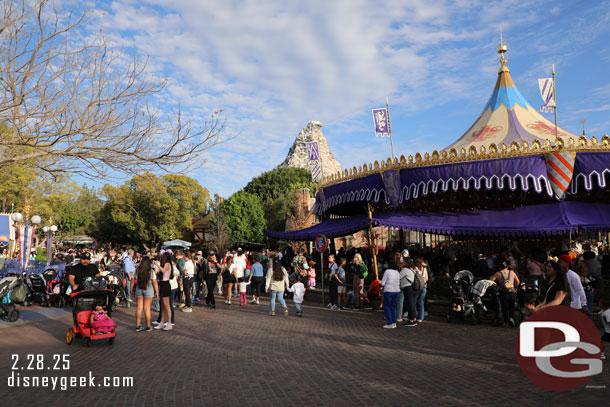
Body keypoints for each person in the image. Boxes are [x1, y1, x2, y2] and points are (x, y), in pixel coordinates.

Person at [131, 257, 159, 331]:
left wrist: (131, 290)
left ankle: (138, 325)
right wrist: (157, 291)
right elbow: (155, 282)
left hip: (139, 288)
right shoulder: (151, 271)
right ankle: (148, 326)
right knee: (147, 308)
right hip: (149, 288)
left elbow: (132, 281)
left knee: (139, 308)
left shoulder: (136, 270)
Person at [489, 260, 520, 327]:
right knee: (511, 307)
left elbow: (490, 280)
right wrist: (516, 288)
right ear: (507, 267)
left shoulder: (498, 273)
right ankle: (512, 318)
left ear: (500, 267)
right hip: (512, 292)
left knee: (504, 307)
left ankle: (506, 321)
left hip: (503, 292)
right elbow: (517, 281)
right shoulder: (512, 272)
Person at [380, 253, 401, 328]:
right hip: (396, 290)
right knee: (393, 307)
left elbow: (382, 282)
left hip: (388, 290)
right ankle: (394, 322)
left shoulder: (387, 271)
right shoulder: (397, 272)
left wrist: (381, 286)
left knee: (387, 307)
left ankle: (389, 323)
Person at [154, 252, 174, 331]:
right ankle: (161, 322)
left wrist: (157, 265)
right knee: (162, 305)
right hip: (162, 284)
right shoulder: (167, 264)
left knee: (167, 305)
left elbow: (163, 270)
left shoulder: (167, 264)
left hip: (165, 284)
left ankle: (169, 323)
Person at [399, 258, 418, 327]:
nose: (402, 263)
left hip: (407, 288)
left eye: (403, 262)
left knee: (410, 304)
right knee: (412, 304)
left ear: (406, 263)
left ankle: (411, 320)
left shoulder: (405, 270)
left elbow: (398, 277)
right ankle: (414, 319)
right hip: (413, 288)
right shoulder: (412, 269)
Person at [414, 258, 429, 323]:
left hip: (417, 287)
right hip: (424, 287)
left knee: (415, 301)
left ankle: (414, 316)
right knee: (421, 302)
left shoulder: (415, 269)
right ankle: (421, 317)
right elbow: (427, 278)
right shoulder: (424, 269)